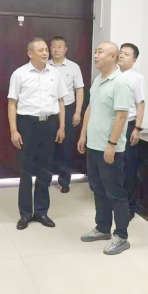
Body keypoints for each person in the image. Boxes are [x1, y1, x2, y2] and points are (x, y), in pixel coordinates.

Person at [78, 42, 132, 255]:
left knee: (115, 192)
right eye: (95, 51)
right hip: (94, 145)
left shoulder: (120, 82)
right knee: (98, 189)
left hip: (110, 149)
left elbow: (121, 117)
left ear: (113, 57)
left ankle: (122, 236)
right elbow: (90, 108)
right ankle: (102, 228)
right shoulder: (98, 80)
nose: (96, 55)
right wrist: (83, 134)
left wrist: (112, 144)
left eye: (100, 52)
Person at [8, 37, 68, 230]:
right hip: (27, 124)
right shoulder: (19, 74)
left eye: (46, 50)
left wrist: (61, 127)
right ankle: (25, 214)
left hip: (49, 124)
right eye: (40, 50)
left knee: (45, 169)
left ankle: (41, 212)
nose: (45, 53)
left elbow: (61, 101)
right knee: (25, 171)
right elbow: (12, 103)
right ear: (30, 53)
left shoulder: (55, 73)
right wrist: (14, 130)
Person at [48, 36, 85, 193]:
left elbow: (79, 90)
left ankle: (64, 182)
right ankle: (46, 179)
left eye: (59, 46)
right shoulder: (45, 66)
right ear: (50, 49)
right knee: (48, 146)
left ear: (65, 49)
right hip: (49, 110)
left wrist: (78, 112)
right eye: (54, 46)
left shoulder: (73, 67)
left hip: (69, 109)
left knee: (66, 147)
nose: (56, 49)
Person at [118, 43, 146, 220]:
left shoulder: (137, 78)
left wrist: (137, 128)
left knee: (128, 167)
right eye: (121, 53)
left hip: (128, 126)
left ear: (134, 60)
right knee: (115, 166)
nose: (122, 56)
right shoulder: (112, 75)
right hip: (113, 126)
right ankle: (116, 202)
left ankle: (129, 207)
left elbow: (140, 104)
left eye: (126, 54)